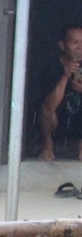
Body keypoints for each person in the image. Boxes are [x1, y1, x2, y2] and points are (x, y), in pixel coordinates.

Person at [38, 23, 82, 162]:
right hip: (58, 124)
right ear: (62, 45)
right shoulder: (51, 66)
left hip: (78, 123)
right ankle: (47, 145)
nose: (80, 48)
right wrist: (65, 76)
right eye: (75, 42)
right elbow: (48, 106)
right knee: (46, 111)